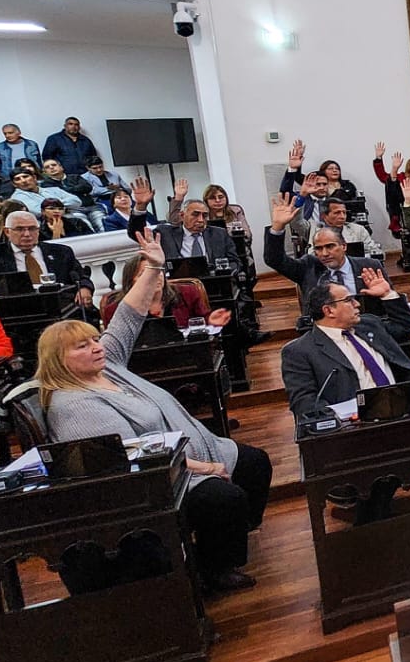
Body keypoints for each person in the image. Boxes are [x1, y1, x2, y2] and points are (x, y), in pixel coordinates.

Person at [38, 232, 272, 593]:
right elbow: (133, 454)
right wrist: (205, 467)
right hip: (164, 478)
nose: (96, 347)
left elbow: (128, 316)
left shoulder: (107, 364)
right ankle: (212, 572)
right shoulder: (73, 403)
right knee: (225, 499)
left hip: (195, 452)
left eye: (94, 339)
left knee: (255, 463)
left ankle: (226, 541)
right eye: (81, 347)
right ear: (58, 361)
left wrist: (155, 266)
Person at [263, 194, 410, 332]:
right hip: (326, 336)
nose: (324, 253)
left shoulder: (369, 265)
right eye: (318, 248)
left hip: (368, 330)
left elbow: (397, 317)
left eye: (330, 246)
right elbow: (274, 260)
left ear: (344, 246)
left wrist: (388, 294)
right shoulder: (308, 266)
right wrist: (277, 227)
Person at [280, 281, 410, 420]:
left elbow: (405, 327)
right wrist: (339, 419)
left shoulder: (369, 324)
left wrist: (387, 294)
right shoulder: (300, 351)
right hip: (356, 425)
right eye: (348, 300)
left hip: (403, 409)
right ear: (329, 310)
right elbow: (304, 402)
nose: (357, 304)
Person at [0, 201, 96, 310]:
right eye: (19, 229)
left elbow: (81, 277)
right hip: (17, 312)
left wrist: (84, 288)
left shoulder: (61, 252)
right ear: (7, 232)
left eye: (32, 229)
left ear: (38, 230)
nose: (27, 234)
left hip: (61, 307)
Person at [100, 252, 229, 329]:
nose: (155, 277)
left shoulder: (188, 293)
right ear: (131, 280)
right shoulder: (115, 309)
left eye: (158, 271)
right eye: (145, 274)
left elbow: (202, 321)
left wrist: (210, 321)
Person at [6, 167, 82, 217]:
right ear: (14, 184)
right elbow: (39, 212)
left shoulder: (53, 189)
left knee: (81, 217)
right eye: (18, 179)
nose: (23, 181)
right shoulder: (17, 198)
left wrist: (53, 207)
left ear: (34, 178)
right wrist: (64, 207)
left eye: (25, 176)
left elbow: (77, 201)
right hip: (44, 225)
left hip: (71, 216)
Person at [311, 198, 376, 251]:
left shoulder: (358, 230)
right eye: (337, 213)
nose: (342, 217)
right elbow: (311, 254)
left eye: (344, 213)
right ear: (324, 216)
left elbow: (374, 250)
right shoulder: (314, 232)